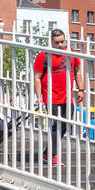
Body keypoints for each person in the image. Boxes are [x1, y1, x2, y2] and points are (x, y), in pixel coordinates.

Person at [33, 29, 85, 166]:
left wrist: (81, 89)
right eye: (57, 43)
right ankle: (53, 155)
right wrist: (38, 97)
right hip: (50, 96)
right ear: (51, 42)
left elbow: (77, 72)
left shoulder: (71, 53)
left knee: (66, 124)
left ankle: (47, 153)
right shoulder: (44, 56)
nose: (60, 45)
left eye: (62, 42)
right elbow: (37, 77)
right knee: (57, 125)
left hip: (67, 96)